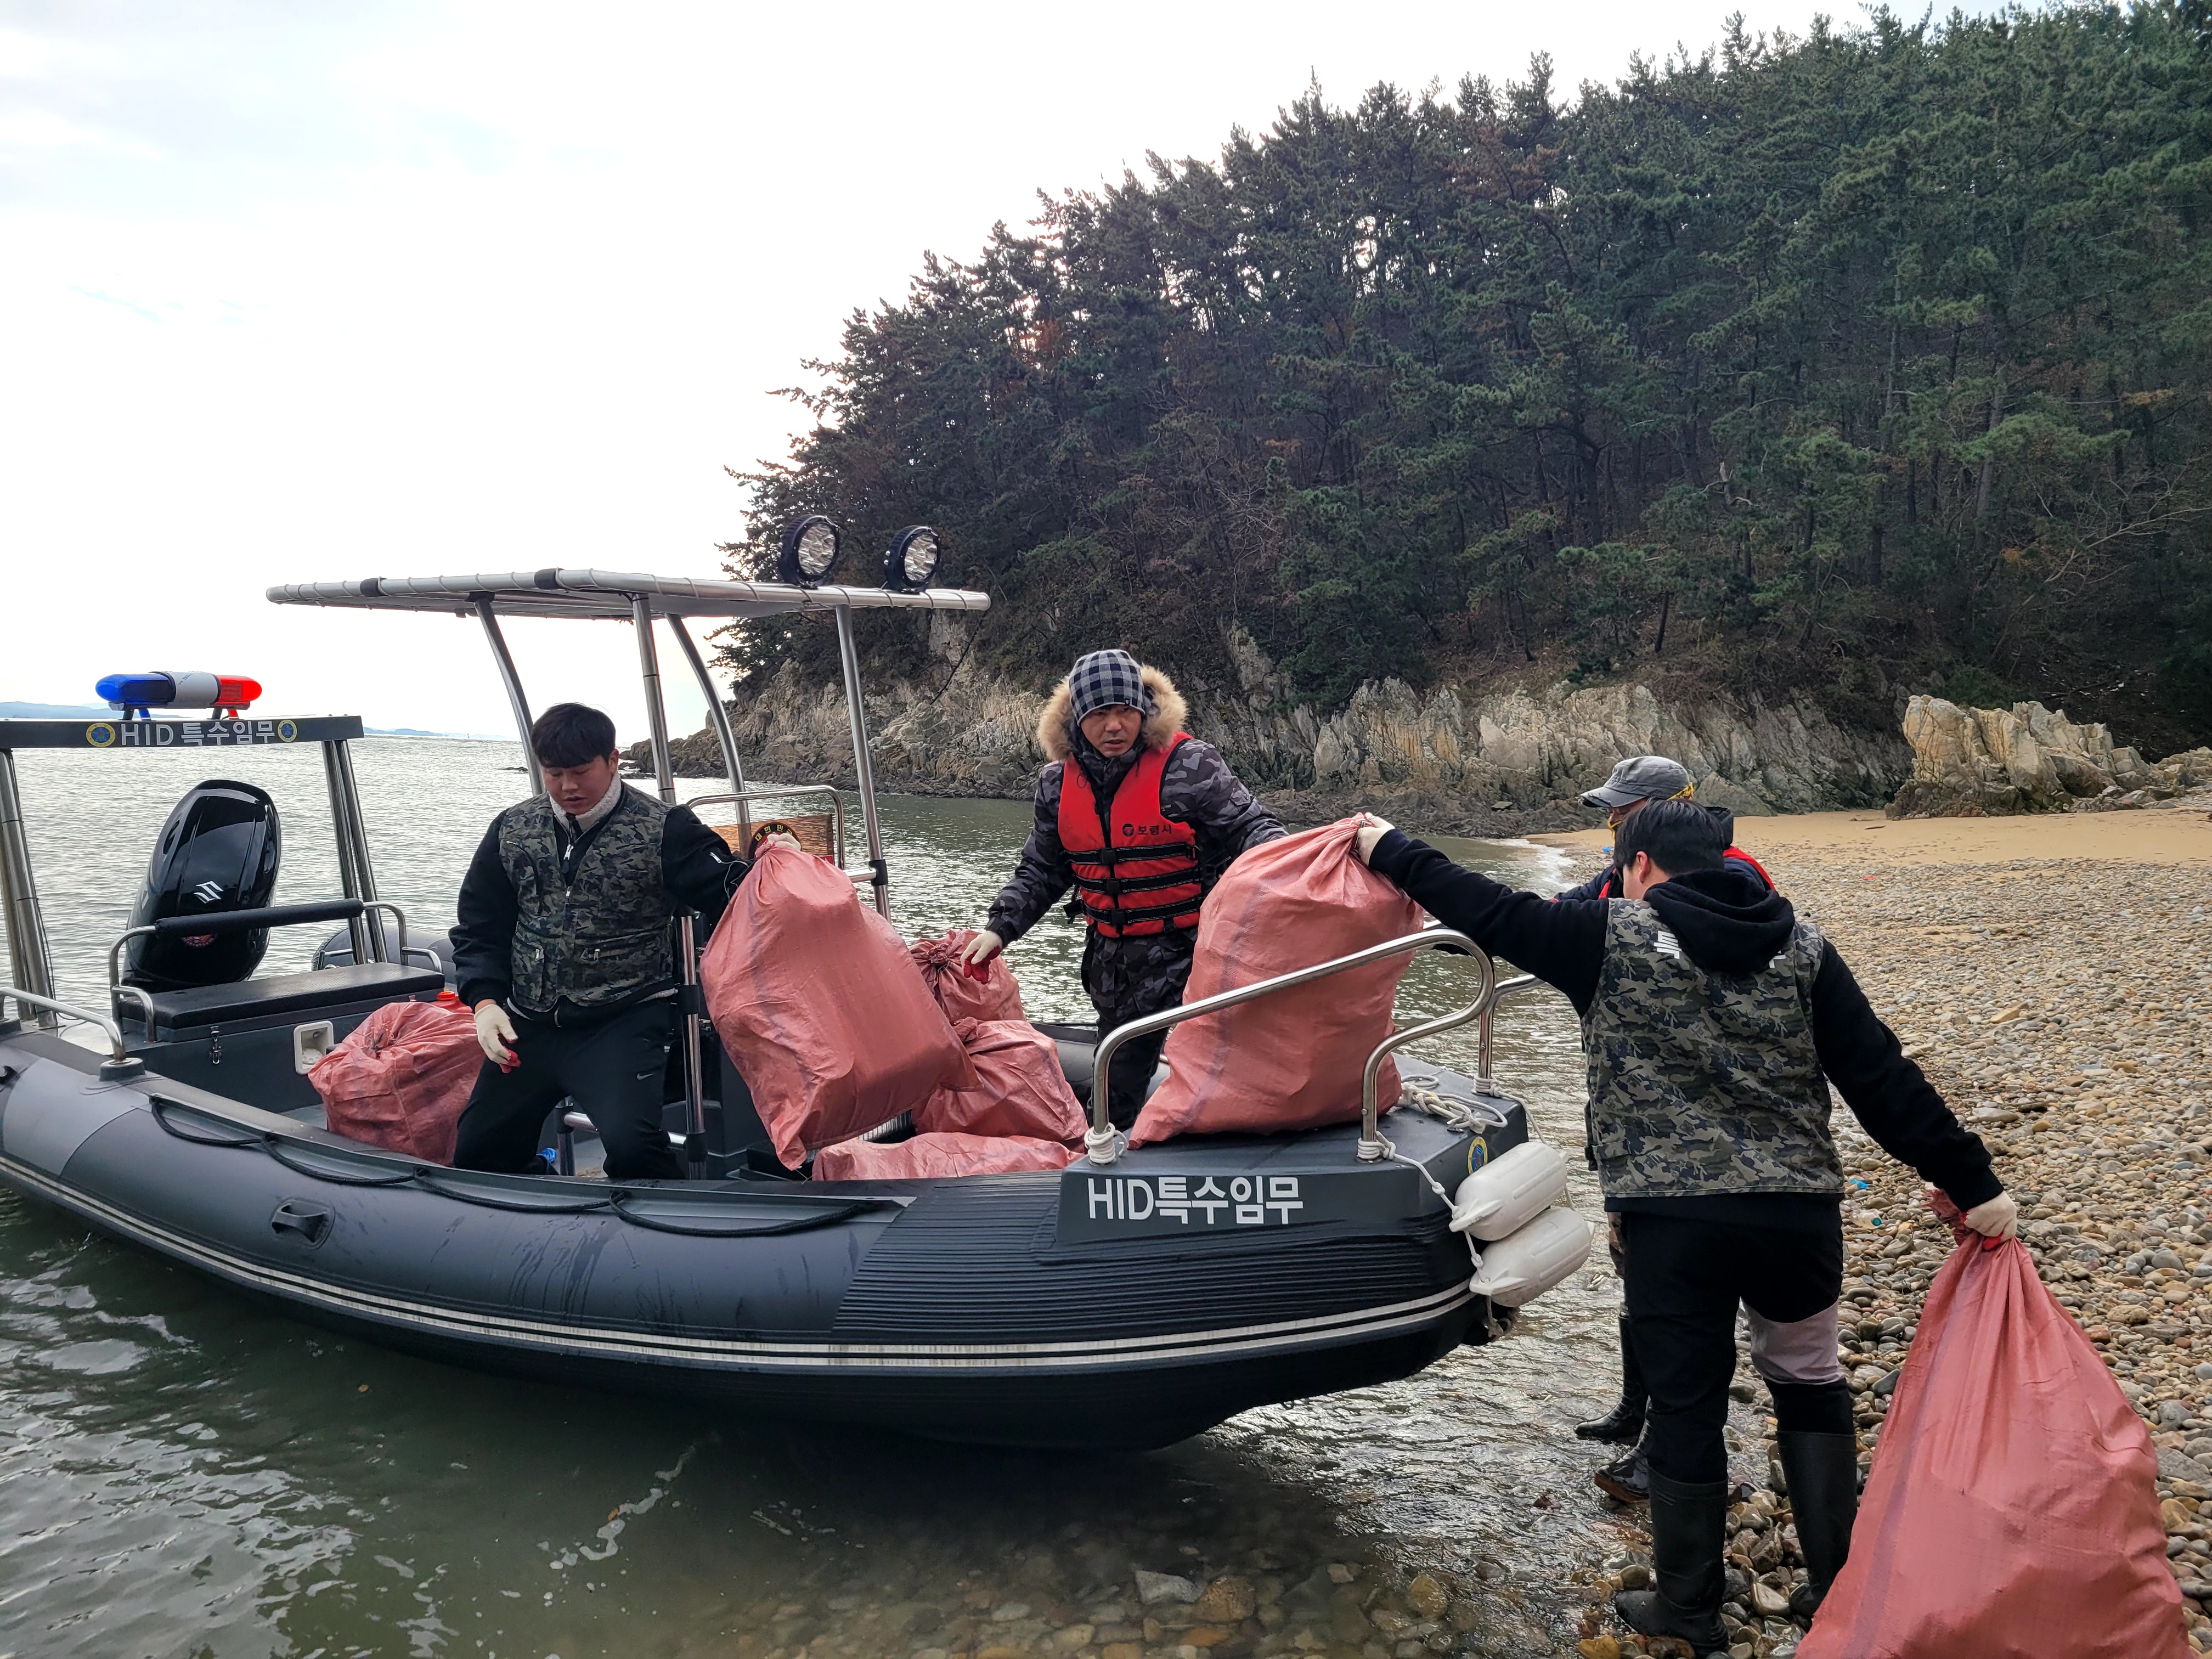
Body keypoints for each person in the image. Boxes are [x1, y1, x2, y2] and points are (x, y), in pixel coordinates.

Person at [1352, 800, 2016, 1654]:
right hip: (1797, 1218)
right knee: (1809, 1381)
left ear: (1636, 866)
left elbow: (1483, 905)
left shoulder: (1606, 936)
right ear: (1722, 859)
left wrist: (1385, 846)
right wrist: (1973, 1184)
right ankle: (1839, 1589)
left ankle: (1690, 1612)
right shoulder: (1804, 947)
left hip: (1675, 1225)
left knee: (1689, 1403)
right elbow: (1881, 1078)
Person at [1565, 757, 1780, 1508]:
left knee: (1680, 1296)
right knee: (1634, 1267)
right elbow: (1560, 909)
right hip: (1631, 1113)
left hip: (1691, 1128)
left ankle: (1670, 1445)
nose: (1611, 824)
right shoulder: (1620, 878)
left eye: (1621, 812)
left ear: (1667, 812)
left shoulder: (1732, 881)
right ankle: (1637, 1409)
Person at [962, 649, 1284, 1128]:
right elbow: (1042, 870)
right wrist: (999, 928)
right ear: (1077, 719)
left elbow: (1252, 828)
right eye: (1098, 714)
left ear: (1144, 709)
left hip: (1199, 953)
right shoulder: (1056, 786)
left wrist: (1292, 868)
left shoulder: (1191, 765)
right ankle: (1110, 1152)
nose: (1114, 726)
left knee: (1233, 1076)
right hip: (1117, 966)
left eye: (1125, 711)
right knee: (1114, 1095)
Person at [450, 703, 755, 1182]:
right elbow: (479, 924)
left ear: (613, 761)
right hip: (528, 1020)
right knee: (477, 1150)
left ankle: (668, 1219)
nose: (568, 787)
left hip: (623, 1020)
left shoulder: (666, 828)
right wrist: (485, 1002)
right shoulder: (512, 830)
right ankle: (546, 1206)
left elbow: (733, 892)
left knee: (634, 1151)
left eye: (580, 772)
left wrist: (779, 866)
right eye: (554, 774)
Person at [1558, 755, 1774, 902]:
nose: (1613, 820)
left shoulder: (1732, 873)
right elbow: (1569, 903)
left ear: (1669, 808)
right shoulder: (1622, 870)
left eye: (1624, 810)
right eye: (1611, 811)